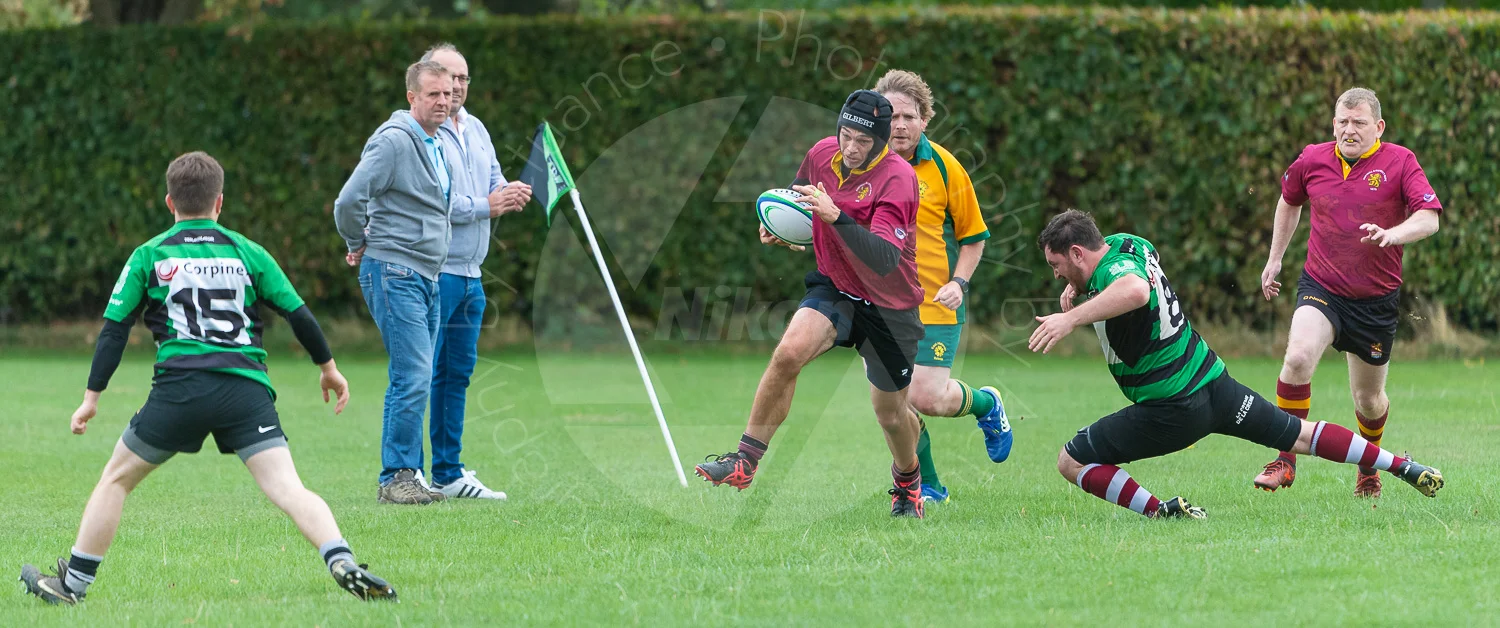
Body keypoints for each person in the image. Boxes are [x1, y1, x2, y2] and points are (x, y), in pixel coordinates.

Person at [19, 152, 395, 605]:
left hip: (180, 390)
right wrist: (329, 369)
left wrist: (91, 397)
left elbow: (114, 331)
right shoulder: (248, 251)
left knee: (115, 480)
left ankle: (72, 586)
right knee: (289, 487)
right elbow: (299, 315)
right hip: (246, 389)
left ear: (168, 202)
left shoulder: (150, 255)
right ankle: (340, 558)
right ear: (219, 203)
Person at [1028, 210, 1444, 519]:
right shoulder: (1129, 243)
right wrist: (1077, 287)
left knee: (1072, 461)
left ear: (1078, 253)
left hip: (1172, 409)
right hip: (1216, 385)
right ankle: (1401, 465)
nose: (1055, 275)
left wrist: (1070, 318)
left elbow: (1135, 290)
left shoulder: (1116, 274)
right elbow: (1124, 275)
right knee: (1300, 435)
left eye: (1057, 266)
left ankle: (1160, 512)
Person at [695, 90, 929, 518]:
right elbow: (799, 200)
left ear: (879, 143)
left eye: (863, 141)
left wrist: (835, 216)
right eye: (846, 135)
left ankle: (908, 478)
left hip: (889, 305)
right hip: (835, 287)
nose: (851, 148)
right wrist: (779, 226)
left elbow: (884, 257)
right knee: (787, 353)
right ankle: (745, 461)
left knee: (891, 415)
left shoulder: (898, 178)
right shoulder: (822, 154)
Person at [1253, 87, 1443, 498]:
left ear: (1379, 127)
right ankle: (1284, 459)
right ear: (1333, 123)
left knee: (1369, 400)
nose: (1349, 130)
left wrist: (1393, 235)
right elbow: (1289, 201)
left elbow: (1429, 218)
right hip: (1322, 287)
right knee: (1298, 358)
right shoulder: (1312, 158)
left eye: (1359, 123)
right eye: (1343, 121)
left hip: (1375, 301)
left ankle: (1369, 466)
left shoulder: (1400, 161)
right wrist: (1275, 259)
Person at [874, 69, 1010, 505]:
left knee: (926, 397)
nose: (899, 125)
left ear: (924, 120)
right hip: (876, 307)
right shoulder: (860, 163)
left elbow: (974, 238)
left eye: (909, 116)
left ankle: (986, 404)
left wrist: (959, 281)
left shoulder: (945, 167)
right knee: (896, 408)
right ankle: (927, 485)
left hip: (935, 305)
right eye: (891, 115)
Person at [334, 60, 456, 505]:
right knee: (414, 372)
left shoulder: (435, 142)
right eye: (433, 94)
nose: (443, 100)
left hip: (426, 273)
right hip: (394, 269)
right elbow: (348, 200)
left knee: (417, 374)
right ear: (412, 97)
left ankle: (411, 474)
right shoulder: (393, 142)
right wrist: (357, 240)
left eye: (447, 93)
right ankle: (396, 478)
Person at [420, 43, 532, 501]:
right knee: (421, 373)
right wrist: (487, 205)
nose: (458, 88)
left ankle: (448, 472)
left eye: (464, 79)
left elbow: (492, 183)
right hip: (432, 270)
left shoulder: (477, 128)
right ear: (429, 82)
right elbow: (432, 202)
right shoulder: (418, 131)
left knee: (457, 373)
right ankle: (407, 473)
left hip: (471, 273)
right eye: (450, 78)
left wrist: (511, 192)